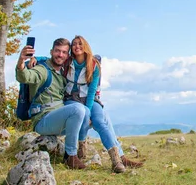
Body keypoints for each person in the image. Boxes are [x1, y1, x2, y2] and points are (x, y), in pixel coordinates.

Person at [33, 35, 143, 173]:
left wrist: (89, 111)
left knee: (100, 120)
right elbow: (49, 59)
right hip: (71, 99)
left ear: (86, 46)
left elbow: (91, 92)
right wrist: (36, 58)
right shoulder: (68, 62)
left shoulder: (94, 65)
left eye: (80, 44)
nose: (77, 46)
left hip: (89, 99)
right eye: (74, 44)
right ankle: (81, 151)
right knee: (83, 116)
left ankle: (117, 160)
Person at [16, 37, 89, 170]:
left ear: (68, 55)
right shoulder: (42, 70)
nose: (60, 55)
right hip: (43, 120)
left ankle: (81, 152)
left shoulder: (64, 72)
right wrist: (22, 60)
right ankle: (70, 156)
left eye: (64, 52)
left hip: (58, 120)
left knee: (87, 113)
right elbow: (25, 76)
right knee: (78, 109)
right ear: (51, 51)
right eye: (57, 51)